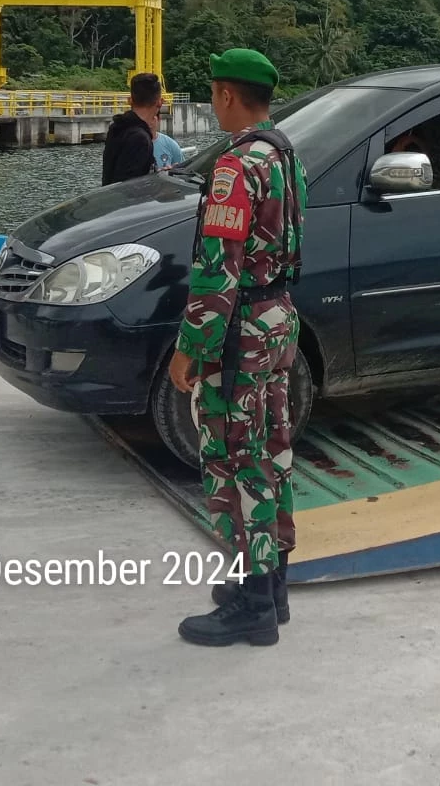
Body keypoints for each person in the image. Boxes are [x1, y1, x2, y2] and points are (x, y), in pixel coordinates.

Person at [167, 48, 306, 648]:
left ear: (226, 95)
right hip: (278, 321)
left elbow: (217, 267)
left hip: (240, 330)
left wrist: (191, 347)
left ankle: (252, 606)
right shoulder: (285, 155)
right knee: (272, 449)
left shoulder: (234, 166)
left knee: (234, 456)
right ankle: (273, 582)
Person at [102, 72, 164, 184]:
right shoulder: (140, 139)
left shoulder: (117, 127)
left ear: (130, 100)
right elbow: (130, 187)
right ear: (160, 102)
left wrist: (158, 173)